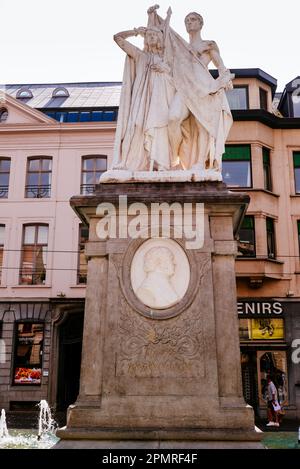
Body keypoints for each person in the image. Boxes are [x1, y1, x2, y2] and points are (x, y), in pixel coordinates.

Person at [112, 14, 176, 172]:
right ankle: (132, 163)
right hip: (141, 101)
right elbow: (118, 38)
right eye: (149, 35)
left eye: (154, 34)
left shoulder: (168, 60)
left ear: (160, 38)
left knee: (160, 127)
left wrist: (165, 70)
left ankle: (161, 163)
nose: (151, 37)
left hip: (161, 100)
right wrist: (134, 32)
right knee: (137, 127)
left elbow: (178, 82)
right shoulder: (140, 55)